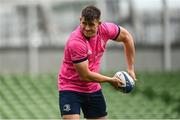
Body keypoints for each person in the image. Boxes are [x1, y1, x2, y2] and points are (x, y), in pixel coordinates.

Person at [58, 5, 136, 119]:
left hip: (93, 88)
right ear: (80, 20)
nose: (87, 28)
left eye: (91, 24)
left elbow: (127, 37)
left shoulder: (106, 29)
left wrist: (131, 68)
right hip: (70, 87)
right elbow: (85, 75)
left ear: (99, 24)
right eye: (84, 23)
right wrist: (110, 80)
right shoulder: (76, 42)